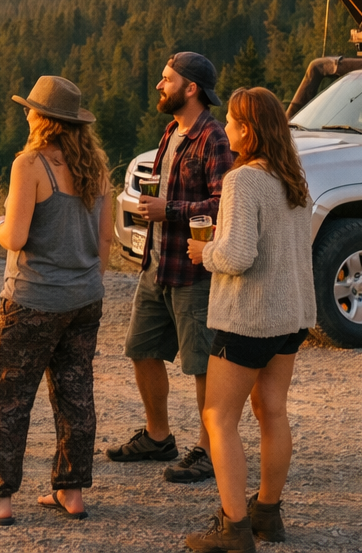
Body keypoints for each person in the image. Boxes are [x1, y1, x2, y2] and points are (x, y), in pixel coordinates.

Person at [0, 76, 115, 526]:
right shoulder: (97, 168)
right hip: (84, 298)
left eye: (30, 109)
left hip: (32, 299)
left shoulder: (31, 165)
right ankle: (71, 490)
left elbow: (17, 237)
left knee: (3, 396)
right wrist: (84, 281)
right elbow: (105, 239)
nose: (26, 114)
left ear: (43, 118)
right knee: (76, 394)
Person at [184, 87, 316, 552]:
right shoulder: (293, 177)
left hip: (249, 318)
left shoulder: (244, 180)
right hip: (291, 314)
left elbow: (237, 256)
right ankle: (267, 515)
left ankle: (234, 528)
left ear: (250, 130)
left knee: (218, 417)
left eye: (234, 121)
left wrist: (206, 252)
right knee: (272, 410)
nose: (227, 128)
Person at [107, 52, 235, 484]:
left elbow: (223, 204)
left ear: (191, 88)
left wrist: (171, 209)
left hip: (194, 271)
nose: (160, 86)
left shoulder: (213, 138)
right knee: (141, 349)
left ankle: (208, 448)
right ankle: (158, 437)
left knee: (202, 364)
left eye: (167, 79)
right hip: (156, 265)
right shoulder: (171, 131)